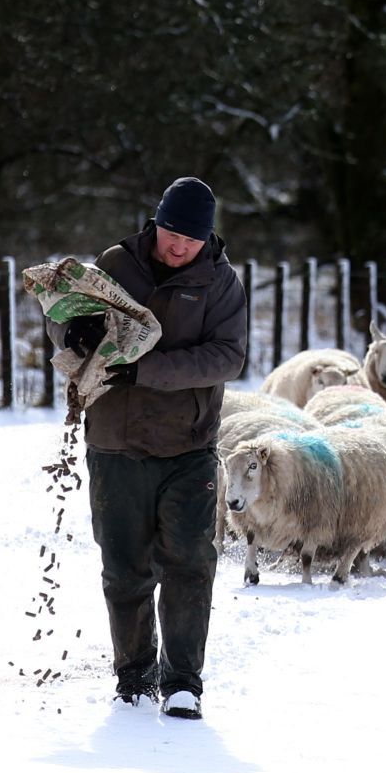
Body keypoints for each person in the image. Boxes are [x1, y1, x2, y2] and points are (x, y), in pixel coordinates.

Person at [53, 176, 246, 720]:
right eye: (170, 232)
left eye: (191, 238)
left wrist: (147, 368)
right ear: (155, 221)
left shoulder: (221, 284)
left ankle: (183, 681)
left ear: (207, 238)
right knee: (124, 568)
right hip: (113, 441)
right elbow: (64, 315)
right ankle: (133, 674)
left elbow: (227, 357)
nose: (178, 245)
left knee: (188, 562)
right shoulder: (115, 264)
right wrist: (75, 336)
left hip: (187, 445)